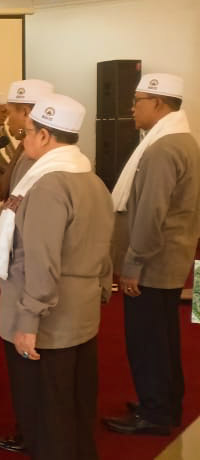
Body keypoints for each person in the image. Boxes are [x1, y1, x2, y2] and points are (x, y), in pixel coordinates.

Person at [0, 93, 113, 459]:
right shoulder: (90, 178)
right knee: (72, 405)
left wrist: (28, 321)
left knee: (46, 415)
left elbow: (39, 263)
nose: (23, 139)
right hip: (82, 310)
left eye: (28, 132)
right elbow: (105, 245)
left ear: (45, 136)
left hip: (48, 322)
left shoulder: (47, 185)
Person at [104, 73, 200, 436]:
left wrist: (133, 263)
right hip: (170, 257)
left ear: (159, 103)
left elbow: (150, 212)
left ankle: (156, 411)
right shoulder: (181, 140)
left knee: (148, 341)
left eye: (138, 100)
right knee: (162, 336)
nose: (132, 107)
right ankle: (164, 401)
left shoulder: (162, 147)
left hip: (154, 263)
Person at [0, 78, 54, 454]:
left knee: (25, 354)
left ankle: (31, 430)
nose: (9, 118)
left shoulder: (34, 158)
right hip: (26, 264)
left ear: (26, 113)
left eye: (12, 112)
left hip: (26, 272)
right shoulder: (31, 152)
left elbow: (27, 220)